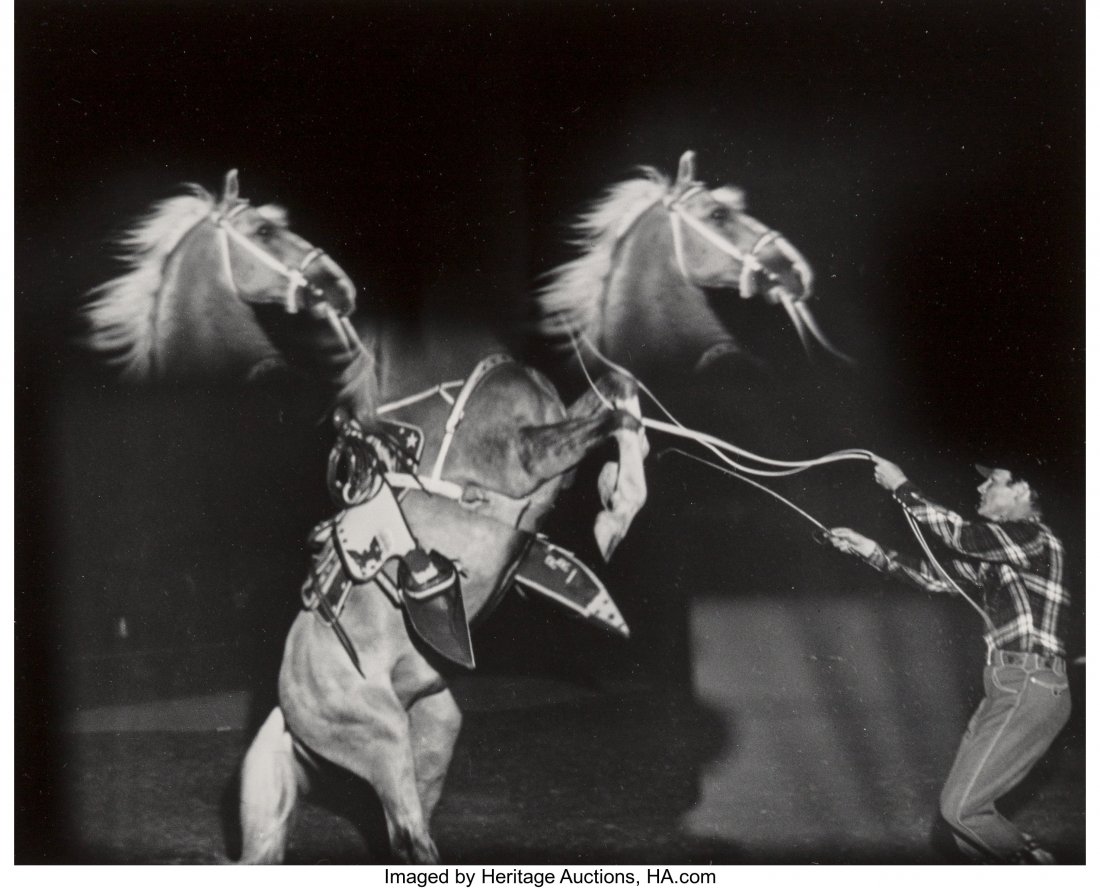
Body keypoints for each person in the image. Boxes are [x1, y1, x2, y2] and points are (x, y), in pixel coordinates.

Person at [826, 457, 1071, 864]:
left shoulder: (1031, 537)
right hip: (1008, 685)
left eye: (992, 481)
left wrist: (902, 487)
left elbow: (960, 536)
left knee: (962, 811)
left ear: (1022, 491)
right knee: (957, 830)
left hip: (1029, 685)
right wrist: (867, 548)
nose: (980, 489)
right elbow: (936, 575)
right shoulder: (1004, 555)